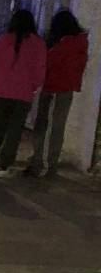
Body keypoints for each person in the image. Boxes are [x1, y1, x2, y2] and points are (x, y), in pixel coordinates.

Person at [0, 9, 45, 179]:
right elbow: (39, 70)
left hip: (0, 91)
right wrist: (36, 86)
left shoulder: (4, 39)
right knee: (14, 130)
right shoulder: (37, 44)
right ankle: (4, 166)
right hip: (22, 93)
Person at [26, 9, 89, 177]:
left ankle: (39, 161)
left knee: (43, 125)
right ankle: (50, 162)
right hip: (67, 89)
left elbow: (49, 61)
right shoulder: (80, 43)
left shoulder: (63, 45)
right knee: (57, 126)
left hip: (51, 87)